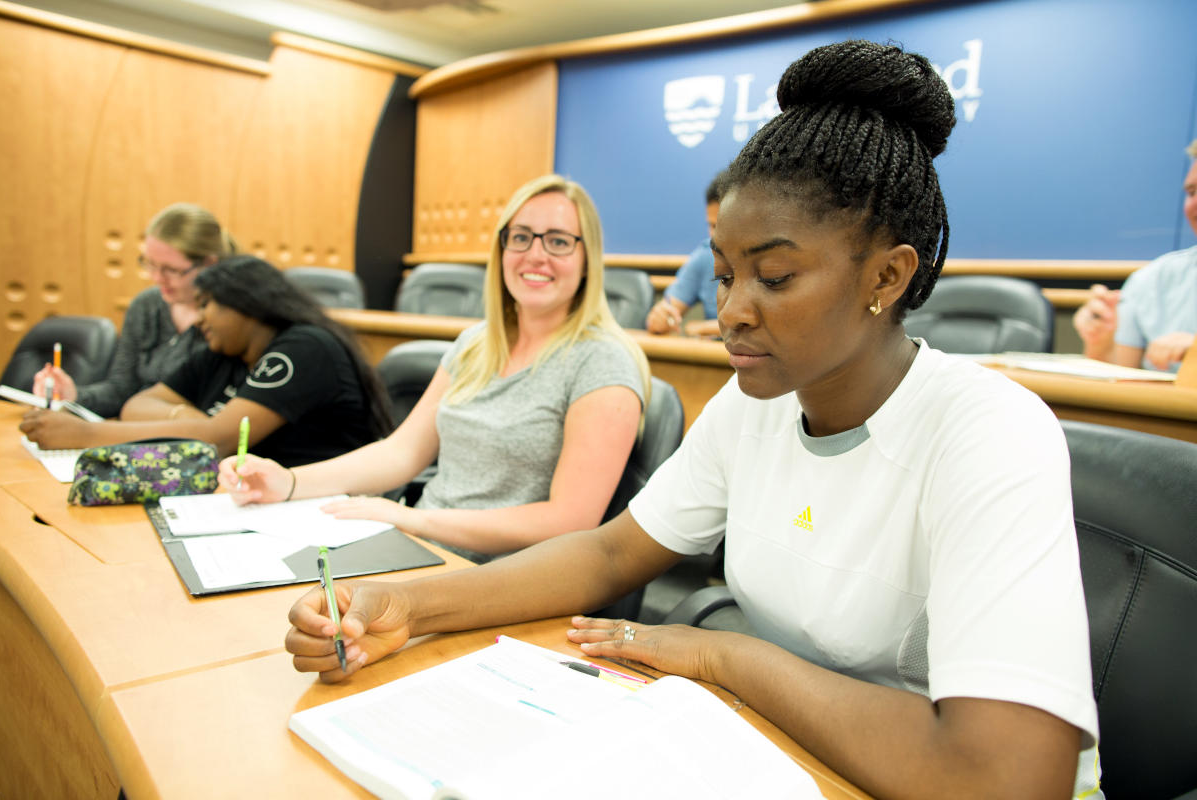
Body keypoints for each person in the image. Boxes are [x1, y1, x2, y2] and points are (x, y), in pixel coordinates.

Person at [283, 42, 1100, 799]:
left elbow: (1005, 776)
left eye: (774, 277)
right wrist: (412, 609)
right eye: (724, 274)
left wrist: (724, 655)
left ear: (886, 276)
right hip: (784, 755)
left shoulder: (989, 431)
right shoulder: (757, 405)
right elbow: (610, 551)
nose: (731, 312)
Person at [219, 175, 649, 562]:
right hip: (421, 550)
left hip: (499, 578)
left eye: (558, 241)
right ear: (502, 249)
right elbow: (401, 453)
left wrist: (413, 520)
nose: (535, 255)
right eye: (521, 237)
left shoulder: (604, 361)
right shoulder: (475, 345)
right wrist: (287, 482)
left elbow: (568, 522)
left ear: (587, 257)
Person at [20, 255, 392, 467]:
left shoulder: (305, 347)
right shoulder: (223, 353)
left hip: (317, 509)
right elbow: (138, 404)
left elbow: (222, 440)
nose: (199, 319)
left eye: (206, 305)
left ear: (246, 303)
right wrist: (191, 420)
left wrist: (88, 435)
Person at [31, 203, 237, 417]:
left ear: (209, 263)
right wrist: (72, 397)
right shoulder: (146, 305)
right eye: (150, 264)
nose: (157, 278)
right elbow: (120, 390)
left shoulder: (231, 319)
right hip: (135, 430)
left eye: (171, 270)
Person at [1073, 139, 1197, 371]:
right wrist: (1100, 341)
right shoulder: (1152, 279)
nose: (1196, 202)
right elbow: (1121, 377)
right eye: (1192, 192)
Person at [646, 171, 725, 337]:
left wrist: (704, 328)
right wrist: (661, 318)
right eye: (712, 226)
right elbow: (663, 315)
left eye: (723, 226)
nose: (715, 237)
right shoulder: (705, 256)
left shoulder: (770, 262)